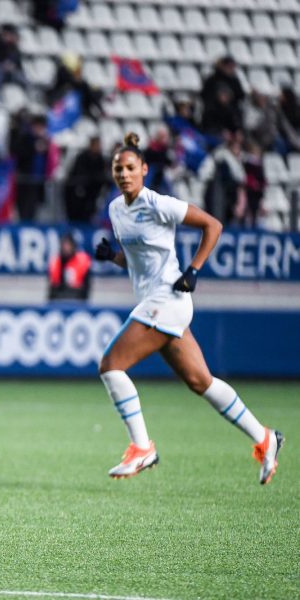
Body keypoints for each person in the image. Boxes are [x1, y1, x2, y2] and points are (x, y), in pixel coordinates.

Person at [94, 132, 283, 484]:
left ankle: (141, 448)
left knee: (110, 365)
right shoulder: (116, 210)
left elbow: (213, 225)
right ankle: (265, 438)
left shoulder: (158, 204)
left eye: (130, 168)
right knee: (201, 382)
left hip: (168, 299)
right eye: (118, 168)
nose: (123, 174)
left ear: (144, 170)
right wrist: (114, 258)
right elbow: (141, 264)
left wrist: (194, 270)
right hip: (157, 302)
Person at [48, 231, 91, 301]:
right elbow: (52, 289)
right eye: (63, 245)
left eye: (68, 245)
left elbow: (86, 288)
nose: (65, 248)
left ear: (73, 246)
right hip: (59, 299)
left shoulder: (82, 261)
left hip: (77, 299)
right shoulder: (56, 262)